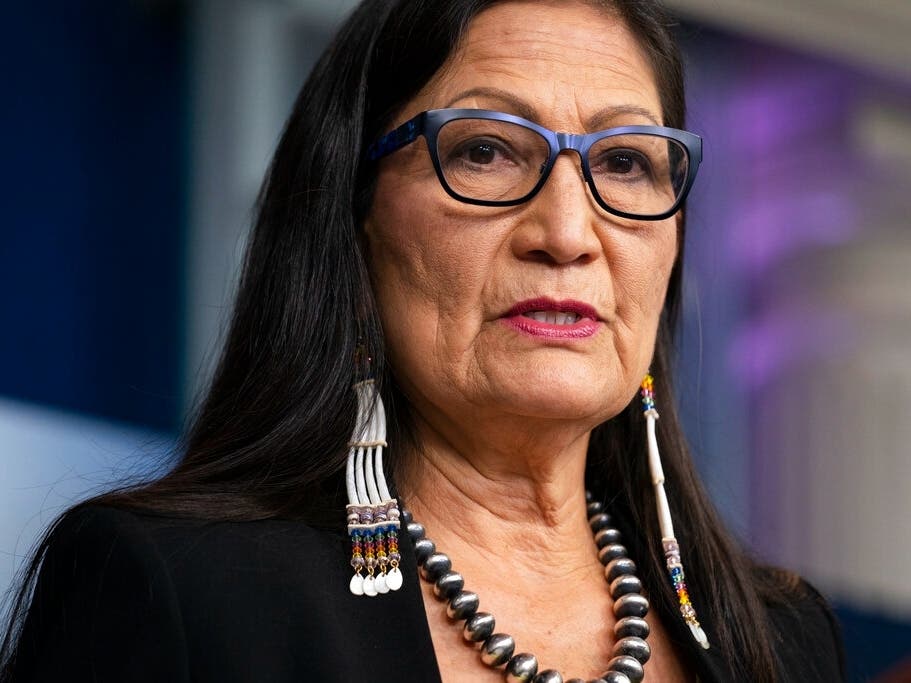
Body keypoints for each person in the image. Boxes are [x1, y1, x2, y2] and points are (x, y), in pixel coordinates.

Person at [1, 1, 845, 681]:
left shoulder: (782, 638)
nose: (566, 231)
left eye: (624, 163)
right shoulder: (180, 591)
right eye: (484, 151)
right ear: (356, 219)